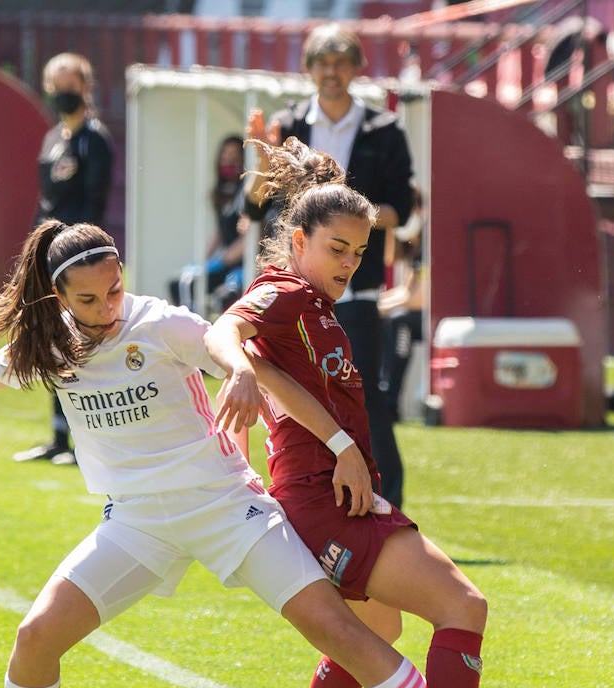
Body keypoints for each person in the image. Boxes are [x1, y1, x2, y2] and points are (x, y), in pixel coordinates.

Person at [0, 219, 508, 688]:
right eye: (88, 298)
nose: (108, 306)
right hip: (137, 524)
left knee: (339, 631)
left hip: (226, 509)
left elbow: (230, 349)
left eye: (114, 288)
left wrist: (262, 386)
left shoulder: (158, 324)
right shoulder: (49, 342)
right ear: (58, 298)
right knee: (35, 638)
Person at [207, 137, 526, 688]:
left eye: (358, 251)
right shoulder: (284, 291)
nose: (349, 264)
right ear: (298, 240)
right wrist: (237, 369)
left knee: (373, 629)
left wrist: (347, 447)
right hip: (322, 501)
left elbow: (285, 375)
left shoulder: (317, 305)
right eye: (336, 248)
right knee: (464, 606)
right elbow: (224, 329)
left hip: (344, 492)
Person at [245, 23, 414, 508]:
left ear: (357, 68)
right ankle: (302, 497)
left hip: (356, 288)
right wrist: (259, 161)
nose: (331, 72)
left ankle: (386, 501)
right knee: (290, 393)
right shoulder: (288, 124)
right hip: (295, 283)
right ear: (309, 69)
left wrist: (341, 226)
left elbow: (402, 211)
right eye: (322, 62)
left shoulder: (385, 129)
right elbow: (254, 207)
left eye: (341, 62)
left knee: (365, 395)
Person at [14, 51, 114, 467]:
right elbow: (45, 199)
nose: (62, 95)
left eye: (69, 87)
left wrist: (75, 255)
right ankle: (58, 437)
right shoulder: (52, 138)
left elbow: (94, 201)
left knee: (84, 346)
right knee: (52, 344)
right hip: (48, 257)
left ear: (86, 88)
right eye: (56, 87)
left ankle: (86, 439)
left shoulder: (96, 139)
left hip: (79, 261)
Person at [167, 135, 249, 316]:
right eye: (225, 156)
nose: (228, 161)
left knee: (225, 296)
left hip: (241, 264)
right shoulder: (221, 193)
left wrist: (222, 260)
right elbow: (220, 232)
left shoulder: (246, 192)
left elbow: (249, 238)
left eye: (234, 157)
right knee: (179, 282)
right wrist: (203, 260)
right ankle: (188, 326)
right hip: (225, 261)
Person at [379, 183, 425, 424]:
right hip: (417, 312)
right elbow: (390, 258)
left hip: (429, 319)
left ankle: (390, 400)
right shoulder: (414, 245)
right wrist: (391, 227)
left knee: (399, 321)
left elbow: (416, 298)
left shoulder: (429, 243)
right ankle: (382, 391)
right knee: (385, 319)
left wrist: (378, 307)